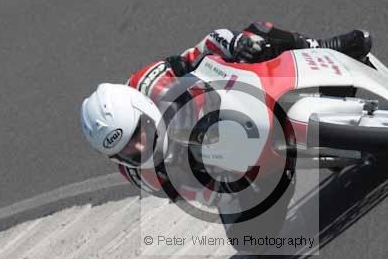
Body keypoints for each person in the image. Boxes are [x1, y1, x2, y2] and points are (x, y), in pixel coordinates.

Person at [81, 22, 372, 205]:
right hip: (221, 159)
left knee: (257, 36)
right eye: (125, 151)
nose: (139, 148)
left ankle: (321, 48)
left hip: (220, 97)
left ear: (142, 110)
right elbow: (192, 196)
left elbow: (201, 50)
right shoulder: (140, 174)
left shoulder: (152, 82)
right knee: (252, 239)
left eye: (137, 134)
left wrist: (235, 44)